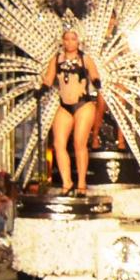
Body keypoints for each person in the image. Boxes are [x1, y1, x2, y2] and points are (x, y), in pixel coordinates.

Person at [39, 27, 100, 197]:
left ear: (78, 41)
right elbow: (49, 78)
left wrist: (97, 82)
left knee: (79, 143)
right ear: (62, 40)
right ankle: (67, 183)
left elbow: (95, 75)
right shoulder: (56, 59)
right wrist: (42, 89)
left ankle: (81, 183)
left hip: (83, 105)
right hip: (64, 106)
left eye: (73, 39)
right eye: (67, 39)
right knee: (58, 144)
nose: (70, 42)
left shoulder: (85, 59)